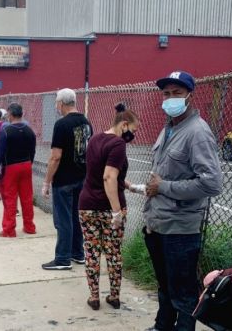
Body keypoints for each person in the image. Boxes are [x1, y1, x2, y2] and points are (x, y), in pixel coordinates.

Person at [143, 71, 223, 331]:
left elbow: (212, 183)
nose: (170, 98)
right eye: (166, 93)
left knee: (184, 292)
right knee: (165, 285)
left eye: (177, 93)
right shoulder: (170, 128)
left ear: (190, 95)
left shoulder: (197, 132)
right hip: (159, 223)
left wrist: (164, 186)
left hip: (180, 228)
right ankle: (162, 325)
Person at [78, 103, 139, 310]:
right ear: (124, 125)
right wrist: (116, 211)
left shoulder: (94, 139)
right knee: (113, 253)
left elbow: (99, 172)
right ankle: (114, 296)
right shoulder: (118, 144)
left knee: (92, 251)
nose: (133, 135)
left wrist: (128, 185)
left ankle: (94, 297)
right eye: (133, 130)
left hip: (87, 205)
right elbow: (108, 176)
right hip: (109, 207)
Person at [41, 88, 93, 271]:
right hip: (81, 176)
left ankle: (62, 258)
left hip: (64, 179)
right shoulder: (86, 122)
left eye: (56, 102)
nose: (56, 105)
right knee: (75, 217)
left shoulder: (61, 125)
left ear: (61, 103)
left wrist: (47, 182)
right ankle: (77, 253)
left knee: (63, 219)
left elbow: (55, 156)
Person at [0, 103, 37, 237]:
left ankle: (9, 229)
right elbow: (33, 150)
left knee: (9, 198)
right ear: (22, 114)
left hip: (10, 167)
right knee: (27, 197)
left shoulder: (6, 131)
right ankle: (29, 226)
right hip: (26, 165)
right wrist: (30, 163)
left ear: (10, 115)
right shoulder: (29, 130)